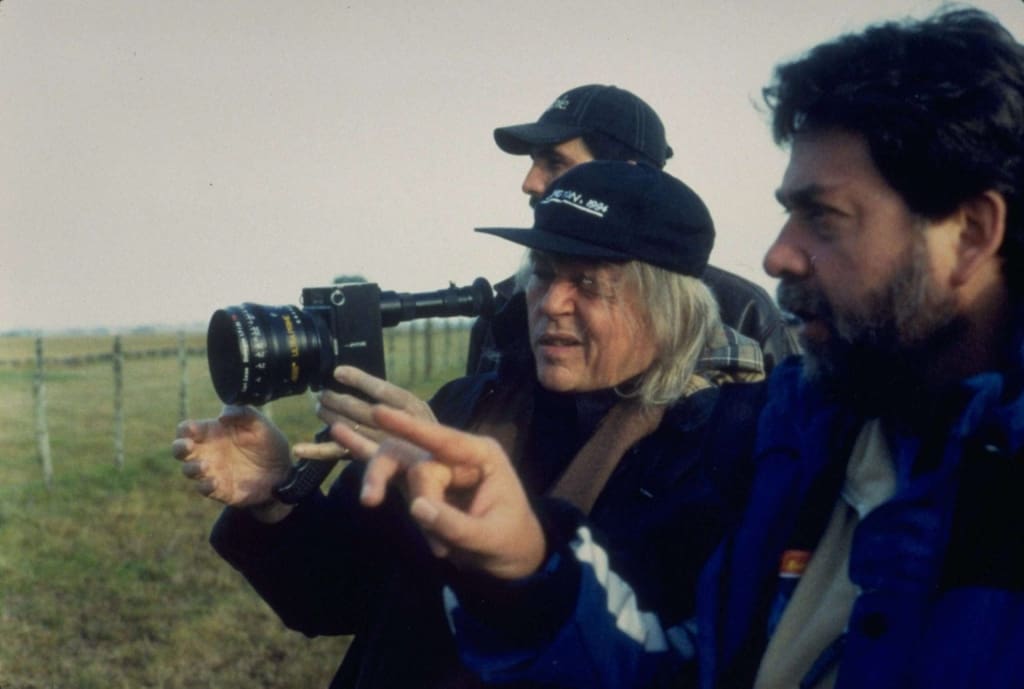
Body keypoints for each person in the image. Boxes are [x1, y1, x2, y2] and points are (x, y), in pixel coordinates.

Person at [339, 8, 1024, 688]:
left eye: (824, 216)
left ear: (970, 234)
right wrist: (528, 574)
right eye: (788, 212)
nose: (777, 254)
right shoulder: (811, 441)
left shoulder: (757, 430)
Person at [172, 161, 768, 688]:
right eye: (542, 273)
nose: (550, 303)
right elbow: (332, 601)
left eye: (587, 282)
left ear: (668, 308)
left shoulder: (723, 451)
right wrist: (275, 497)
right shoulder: (468, 407)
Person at [467, 83, 801, 375]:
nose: (530, 183)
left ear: (626, 172)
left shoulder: (742, 311)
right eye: (545, 275)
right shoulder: (507, 309)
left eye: (555, 163)